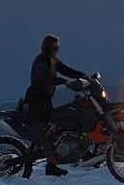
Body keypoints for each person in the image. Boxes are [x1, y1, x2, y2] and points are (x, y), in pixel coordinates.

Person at [25, 35, 86, 176]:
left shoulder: (52, 60)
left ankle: (52, 164)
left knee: (55, 129)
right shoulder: (41, 61)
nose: (57, 49)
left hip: (45, 100)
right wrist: (64, 82)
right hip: (37, 101)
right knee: (47, 132)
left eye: (58, 47)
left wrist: (84, 76)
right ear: (48, 47)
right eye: (55, 47)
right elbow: (45, 77)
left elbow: (66, 69)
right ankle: (43, 165)